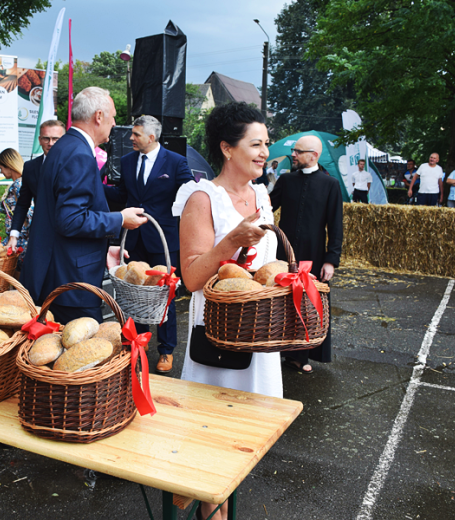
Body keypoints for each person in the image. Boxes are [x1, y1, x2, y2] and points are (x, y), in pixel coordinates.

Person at [172, 101, 281, 520]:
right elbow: (193, 278)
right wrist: (231, 239)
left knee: (248, 435)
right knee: (211, 435)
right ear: (227, 148)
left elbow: (268, 264)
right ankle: (209, 510)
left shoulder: (262, 194)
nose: (264, 151)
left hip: (261, 335)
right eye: (255, 144)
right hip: (217, 336)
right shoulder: (202, 198)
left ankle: (217, 502)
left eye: (266, 143)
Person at [20, 86, 146, 323]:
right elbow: (70, 220)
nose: (115, 123)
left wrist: (103, 249)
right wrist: (120, 219)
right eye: (113, 116)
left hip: (59, 273)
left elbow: (59, 216)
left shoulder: (65, 147)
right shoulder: (78, 153)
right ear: (99, 116)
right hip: (71, 284)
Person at [104, 115, 194, 373]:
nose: (131, 138)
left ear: (152, 137)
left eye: (136, 134)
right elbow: (123, 196)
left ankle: (166, 350)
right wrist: (95, 188)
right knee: (134, 294)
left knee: (165, 296)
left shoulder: (176, 162)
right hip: (134, 238)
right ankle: (138, 343)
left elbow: (189, 196)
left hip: (163, 240)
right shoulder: (127, 161)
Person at [271, 134, 343, 374]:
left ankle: (302, 354)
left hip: (314, 255)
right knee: (281, 302)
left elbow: (335, 226)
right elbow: (268, 206)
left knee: (308, 305)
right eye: (294, 151)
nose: (293, 154)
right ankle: (278, 350)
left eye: (298, 151)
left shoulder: (330, 185)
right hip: (284, 253)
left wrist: (331, 260)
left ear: (313, 155)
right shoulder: (286, 180)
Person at [8, 119, 65, 258]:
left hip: (66, 234)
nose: (50, 143)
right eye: (46, 138)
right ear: (39, 140)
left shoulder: (73, 165)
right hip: (39, 234)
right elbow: (23, 203)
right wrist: (14, 234)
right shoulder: (30, 167)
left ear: (64, 140)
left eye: (55, 139)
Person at [0, 148, 32, 266]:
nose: (1, 172)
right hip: (19, 237)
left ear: (9, 166)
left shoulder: (19, 185)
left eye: (1, 168)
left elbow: (28, 211)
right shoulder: (21, 182)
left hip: (21, 239)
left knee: (15, 272)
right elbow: (15, 210)